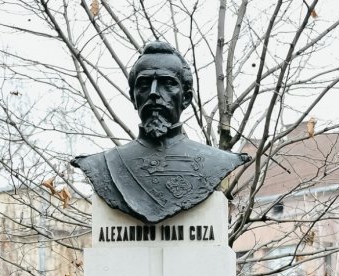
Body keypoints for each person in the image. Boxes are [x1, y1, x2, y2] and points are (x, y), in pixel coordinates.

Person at [71, 41, 251, 224]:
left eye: (167, 83)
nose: (154, 93)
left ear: (186, 98)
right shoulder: (100, 164)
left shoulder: (219, 162)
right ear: (133, 98)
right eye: (144, 84)